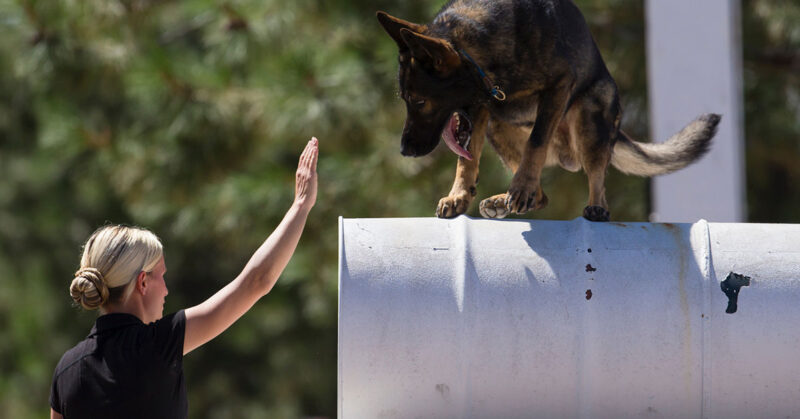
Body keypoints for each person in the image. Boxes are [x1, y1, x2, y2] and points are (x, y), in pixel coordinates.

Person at [49, 138, 319, 419]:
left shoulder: (66, 370)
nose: (166, 290)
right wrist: (301, 205)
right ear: (142, 283)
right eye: (161, 277)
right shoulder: (160, 344)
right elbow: (256, 281)